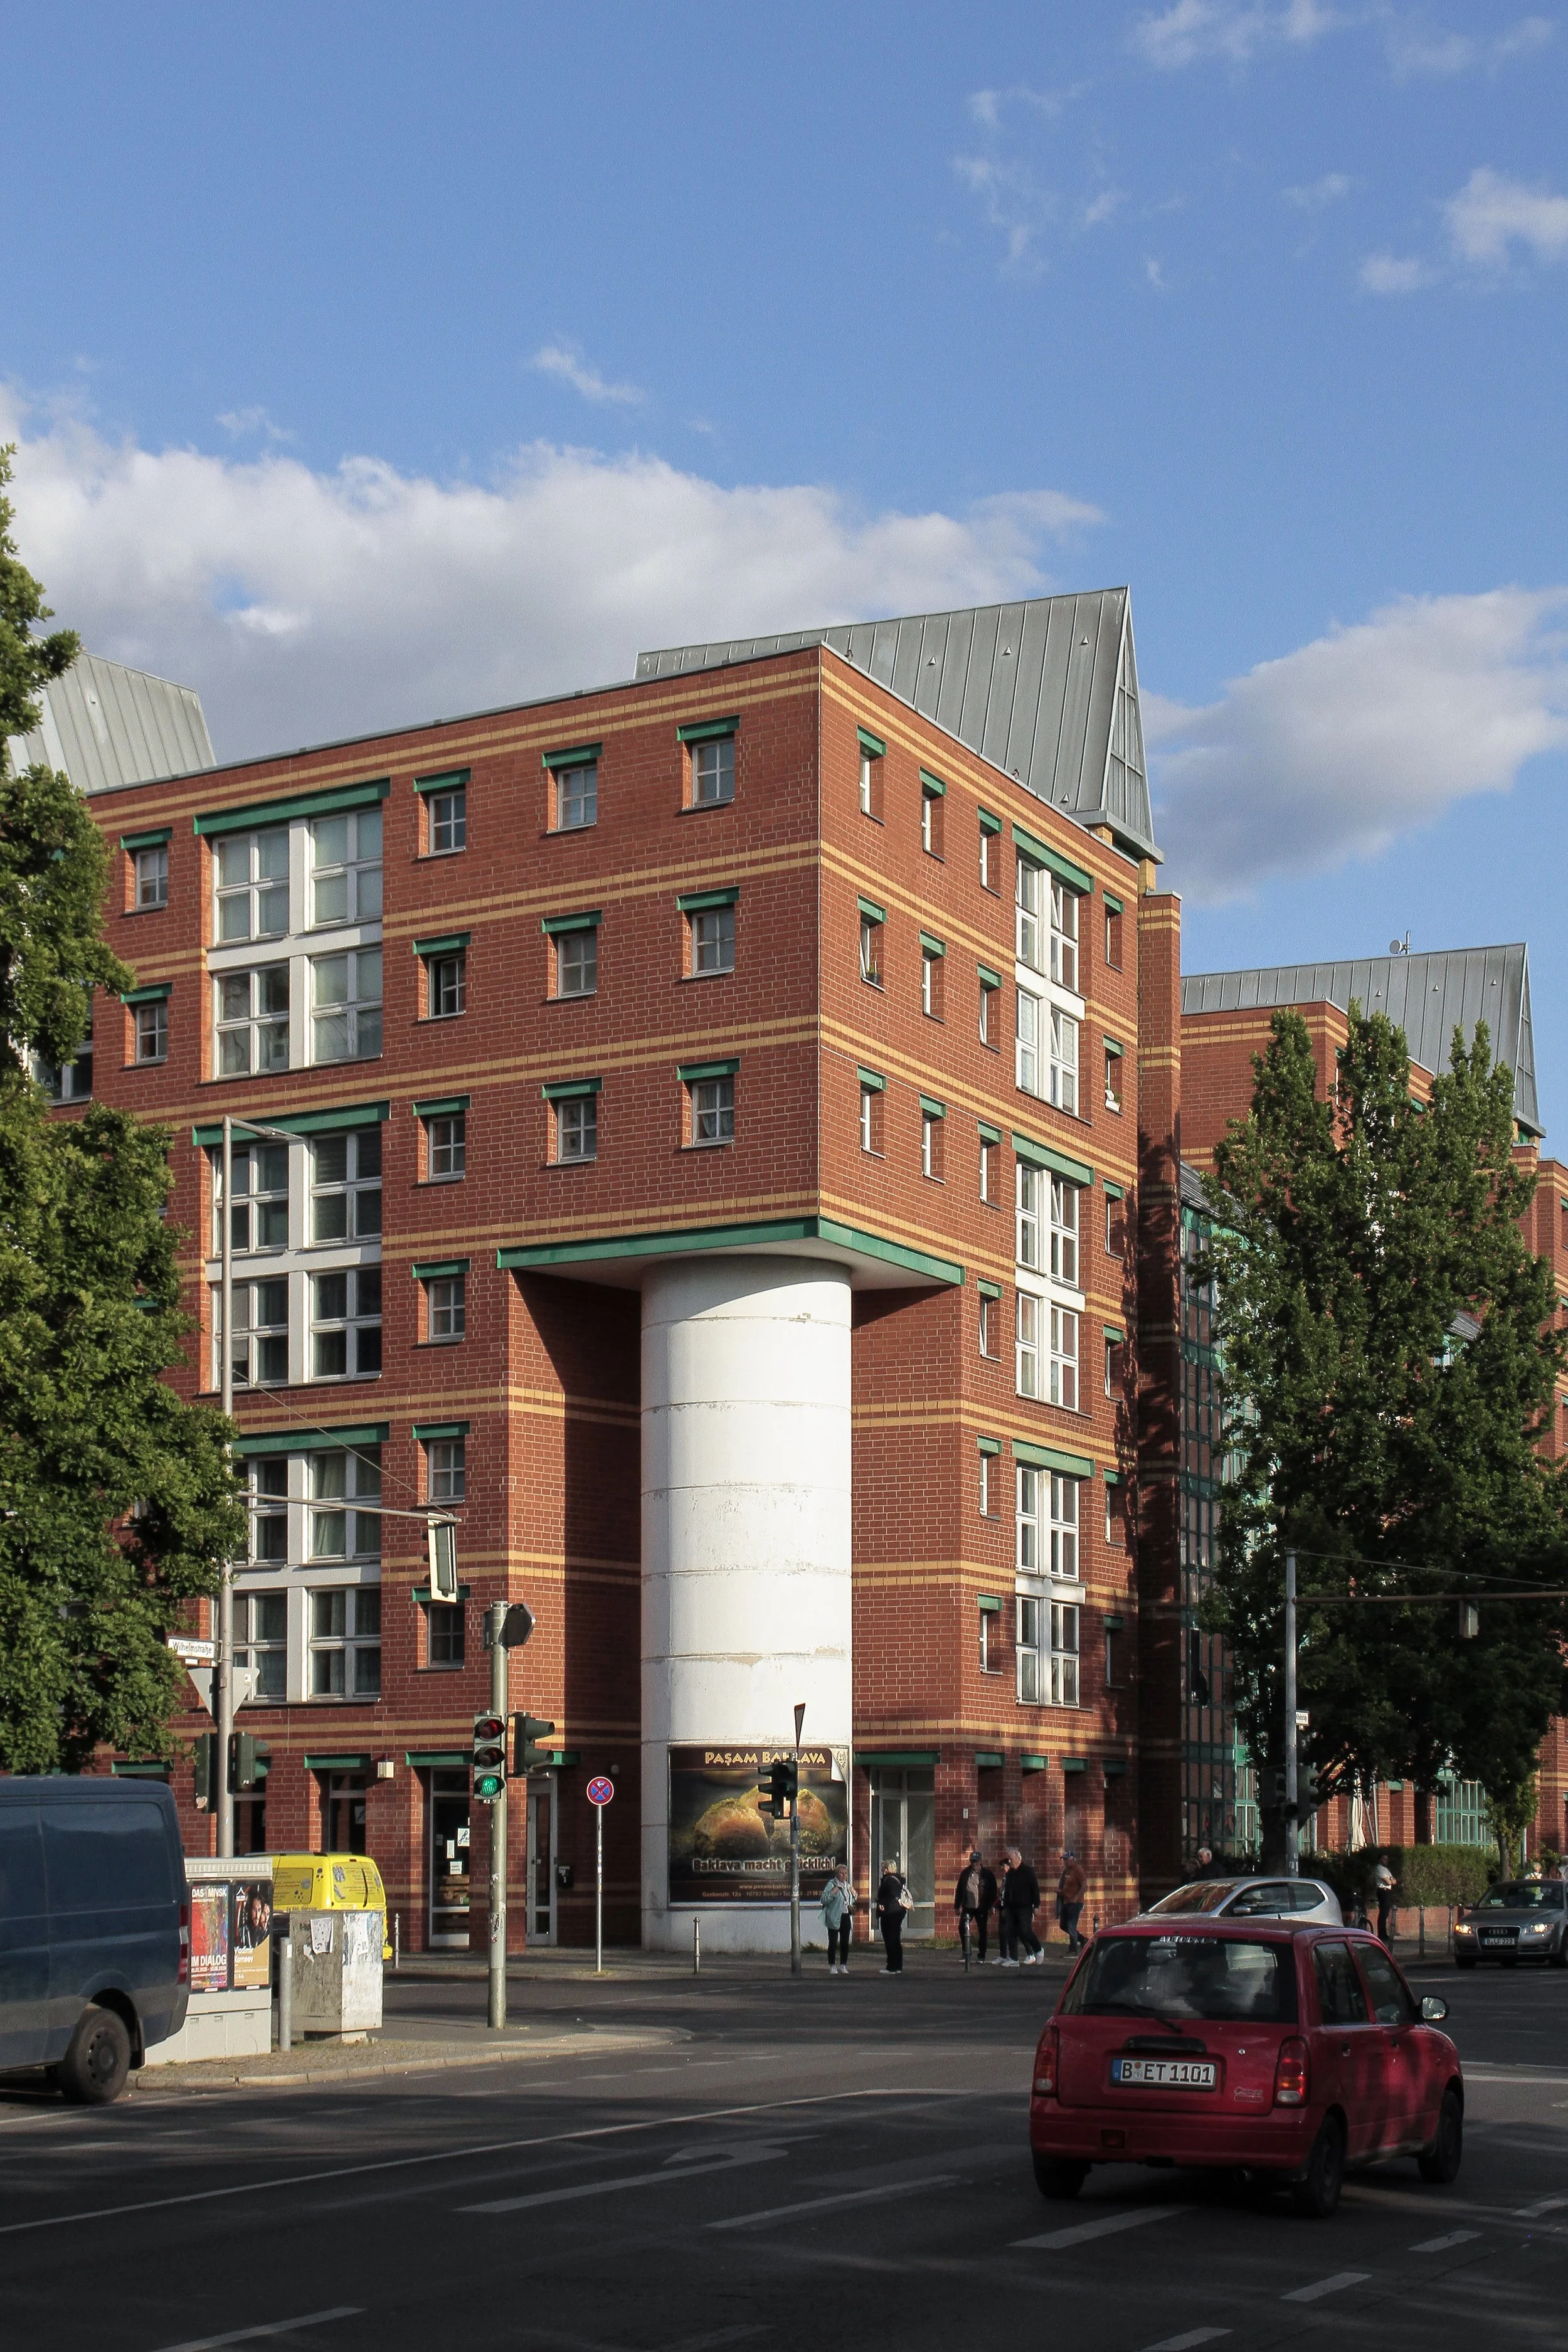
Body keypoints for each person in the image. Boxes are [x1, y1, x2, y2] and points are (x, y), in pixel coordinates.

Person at [953, 1848, 998, 1968]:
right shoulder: (965, 1873)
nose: (974, 1864)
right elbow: (959, 1890)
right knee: (962, 1927)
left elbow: (993, 1891)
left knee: (982, 1931)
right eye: (972, 1862)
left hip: (982, 1907)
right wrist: (957, 1906)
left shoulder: (987, 1874)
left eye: (976, 1862)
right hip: (968, 1906)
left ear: (980, 1861)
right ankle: (966, 1951)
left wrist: (992, 1906)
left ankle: (982, 1955)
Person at [1000, 1848, 1044, 1966]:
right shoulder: (1010, 1874)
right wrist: (1005, 1907)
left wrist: (1037, 1905)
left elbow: (1035, 1888)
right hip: (1011, 1907)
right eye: (1008, 1859)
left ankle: (1038, 1949)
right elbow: (1007, 1891)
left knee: (1025, 1930)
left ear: (1018, 1858)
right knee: (1011, 1932)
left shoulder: (1028, 1871)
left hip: (1025, 1907)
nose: (1009, 1861)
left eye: (1011, 1858)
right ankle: (1014, 1959)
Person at [876, 1857, 909, 1974]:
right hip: (899, 1912)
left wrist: (881, 1903)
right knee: (896, 1940)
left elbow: (890, 1895)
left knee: (889, 1940)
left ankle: (891, 1967)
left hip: (890, 1913)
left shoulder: (888, 1880)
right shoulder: (899, 1880)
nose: (882, 1870)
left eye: (883, 1868)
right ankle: (898, 1966)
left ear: (888, 1869)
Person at [820, 1863, 854, 1974]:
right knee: (833, 1942)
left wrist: (854, 1895)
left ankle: (844, 1965)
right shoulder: (831, 1884)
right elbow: (823, 1899)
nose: (844, 1876)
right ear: (837, 1874)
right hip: (834, 1917)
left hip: (845, 1916)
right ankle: (832, 1965)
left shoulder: (848, 1886)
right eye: (841, 1873)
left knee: (845, 1943)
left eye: (846, 1874)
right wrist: (832, 1893)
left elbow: (850, 1900)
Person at [1056, 1850, 1087, 1954]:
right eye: (1064, 1860)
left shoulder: (1078, 1870)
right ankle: (1083, 1940)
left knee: (1071, 1926)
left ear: (1073, 1860)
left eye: (1066, 1860)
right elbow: (1066, 1886)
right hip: (1066, 1901)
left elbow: (1084, 1886)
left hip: (1075, 1902)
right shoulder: (1066, 1871)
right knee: (1063, 1925)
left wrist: (1076, 1897)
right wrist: (1060, 1891)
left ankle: (1073, 1950)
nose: (1065, 1862)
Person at [1374, 1851, 1397, 1946]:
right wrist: (1391, 1881)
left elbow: (1394, 1881)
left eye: (1387, 1859)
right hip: (1382, 1891)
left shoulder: (1386, 1870)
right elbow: (1388, 1881)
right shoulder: (1379, 1869)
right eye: (1384, 1859)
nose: (1386, 1861)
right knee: (1383, 1912)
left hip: (1387, 1891)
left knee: (1386, 1912)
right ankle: (1381, 1934)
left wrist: (1391, 1881)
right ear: (1380, 1860)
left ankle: (1384, 1933)